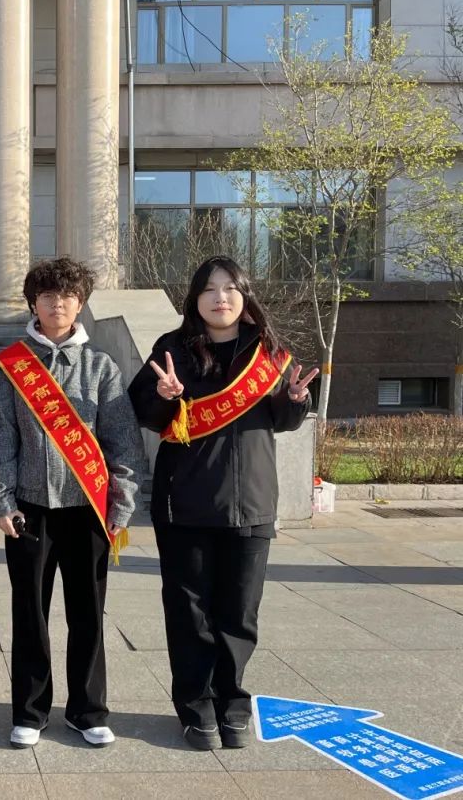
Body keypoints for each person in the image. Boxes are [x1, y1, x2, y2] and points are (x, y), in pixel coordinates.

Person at [127, 255, 318, 751]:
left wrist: (295, 401)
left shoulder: (270, 353)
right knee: (189, 614)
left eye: (230, 288)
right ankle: (195, 707)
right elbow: (145, 412)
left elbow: (281, 421)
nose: (220, 298)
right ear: (195, 299)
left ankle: (233, 704)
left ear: (244, 295)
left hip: (251, 503)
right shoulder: (172, 349)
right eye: (209, 289)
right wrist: (166, 395)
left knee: (239, 613)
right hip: (185, 505)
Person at [0, 257, 145, 750]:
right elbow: (3, 440)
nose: (58, 304)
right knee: (30, 614)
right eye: (48, 296)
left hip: (88, 511)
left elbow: (123, 444)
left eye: (68, 296)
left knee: (88, 614)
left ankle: (87, 710)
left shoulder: (100, 367)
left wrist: (121, 505)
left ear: (81, 303)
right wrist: (0, 500)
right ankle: (30, 712)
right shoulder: (11, 367)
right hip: (29, 510)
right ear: (34, 303)